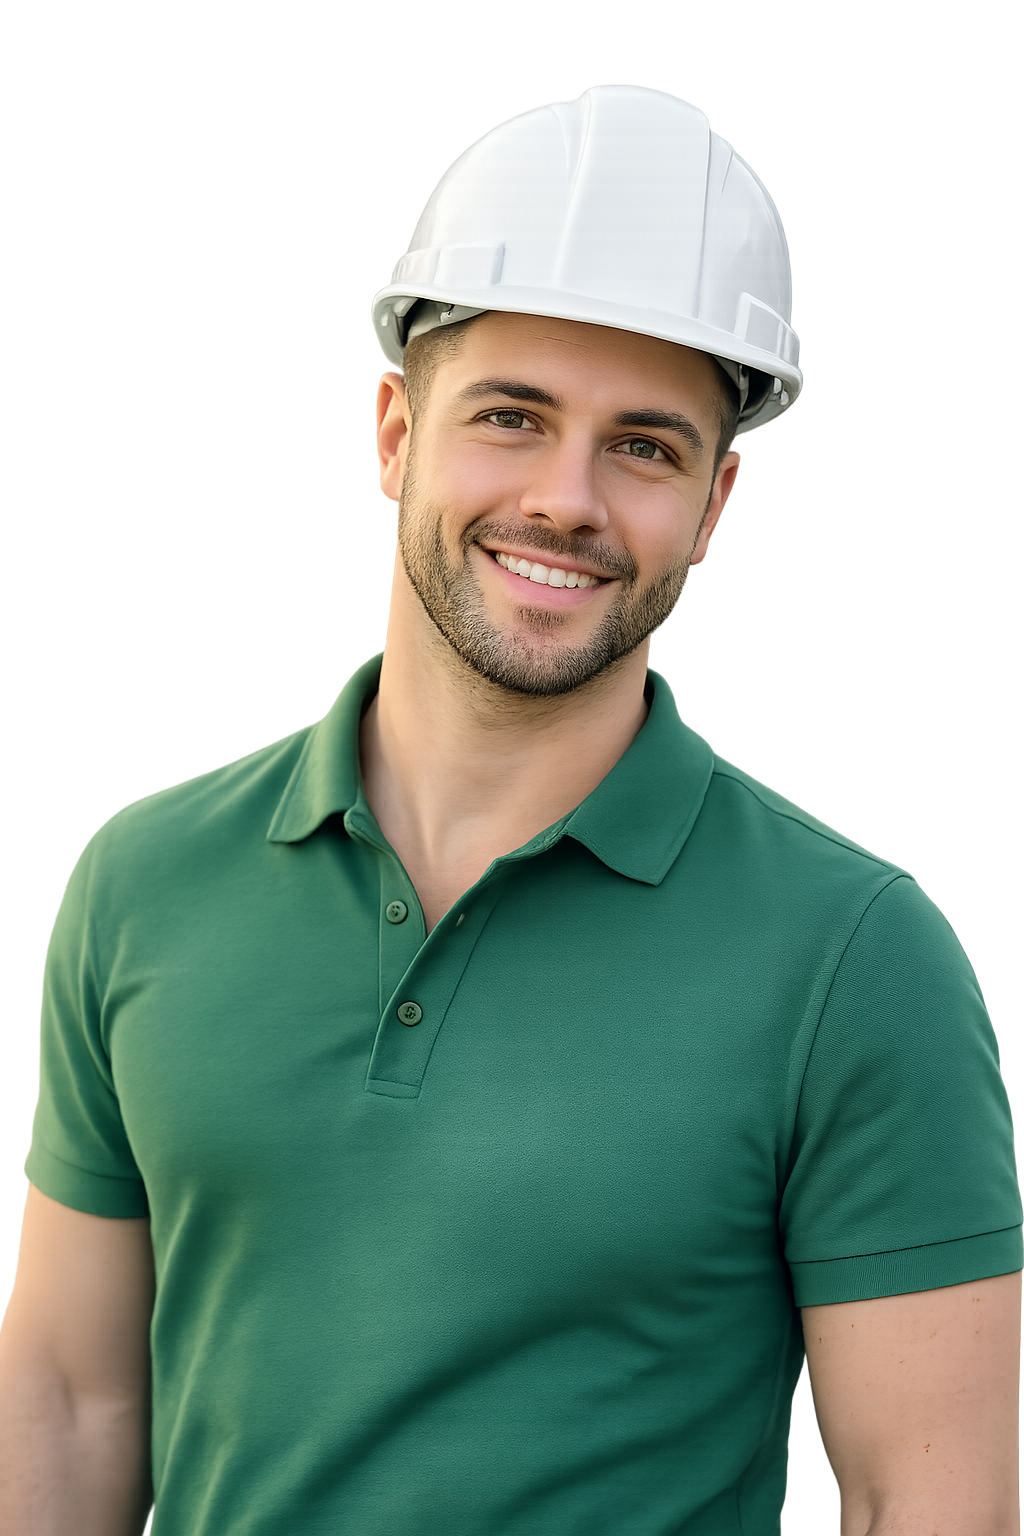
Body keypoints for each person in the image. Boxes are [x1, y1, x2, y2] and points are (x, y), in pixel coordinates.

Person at [0, 87, 1019, 1536]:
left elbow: (933, 1503)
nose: (566, 499)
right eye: (510, 417)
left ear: (717, 505)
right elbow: (64, 1399)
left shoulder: (857, 959)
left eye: (646, 447)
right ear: (392, 431)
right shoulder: (140, 887)